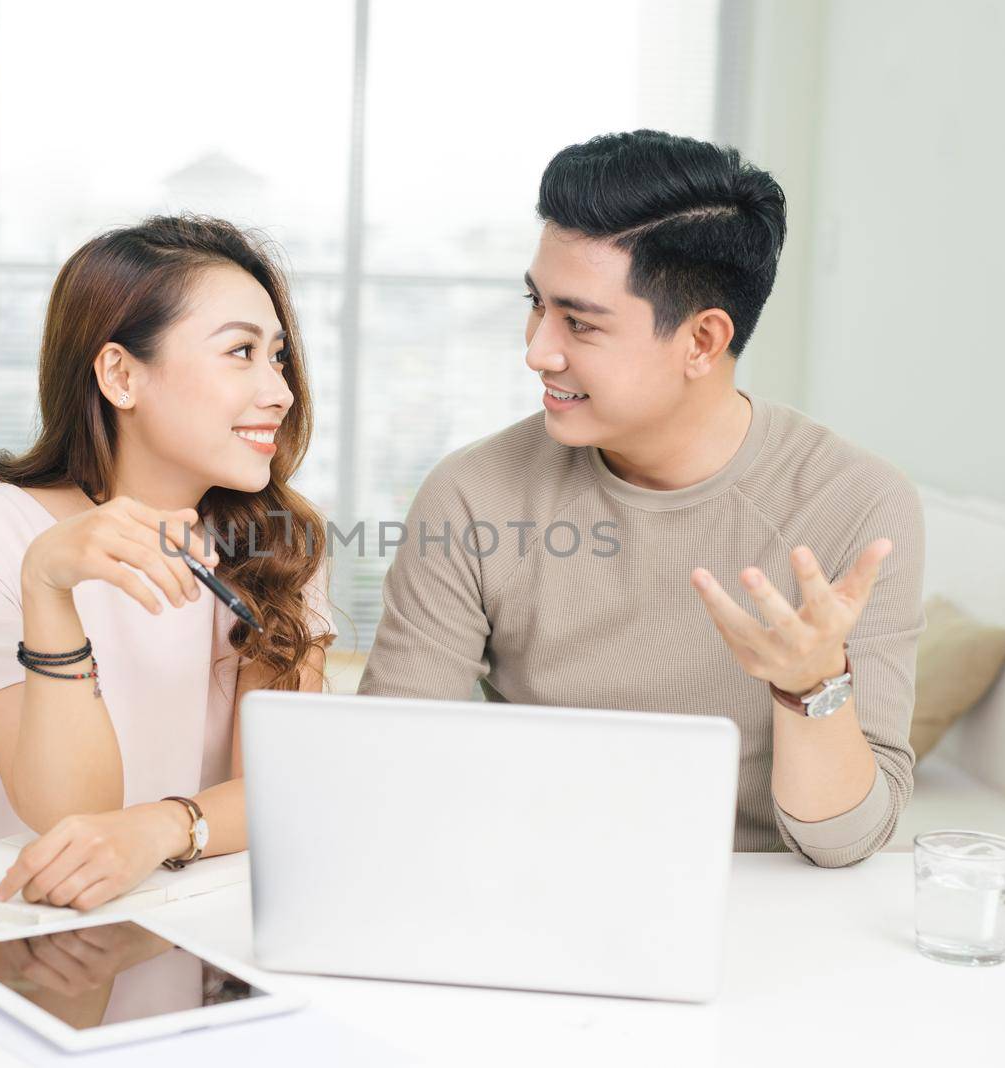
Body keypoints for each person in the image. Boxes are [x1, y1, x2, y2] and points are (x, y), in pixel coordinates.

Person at [358, 130, 925, 868]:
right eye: (537, 305)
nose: (537, 350)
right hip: (530, 881)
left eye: (580, 322)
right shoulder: (474, 494)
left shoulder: (857, 503)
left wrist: (811, 687)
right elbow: (387, 770)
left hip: (764, 903)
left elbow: (845, 844)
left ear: (702, 341)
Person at [0, 214, 334, 914]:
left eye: (279, 356)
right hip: (12, 926)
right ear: (120, 374)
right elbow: (68, 812)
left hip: (190, 913)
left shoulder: (277, 541)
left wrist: (164, 826)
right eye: (240, 352)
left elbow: (279, 787)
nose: (281, 391)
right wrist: (48, 590)